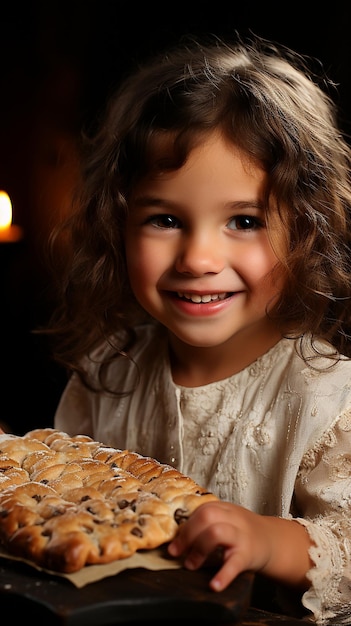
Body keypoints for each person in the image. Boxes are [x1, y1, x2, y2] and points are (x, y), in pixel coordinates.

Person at [46, 33, 351, 624]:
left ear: (307, 230)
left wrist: (267, 542)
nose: (197, 258)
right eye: (164, 219)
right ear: (117, 223)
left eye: (244, 220)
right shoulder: (110, 370)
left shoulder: (328, 401)